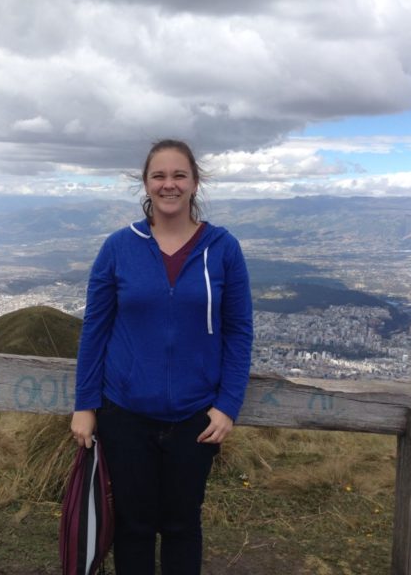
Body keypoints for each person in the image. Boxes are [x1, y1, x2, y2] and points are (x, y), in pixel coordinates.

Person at [71, 139, 253, 575]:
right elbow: (94, 330)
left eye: (178, 175)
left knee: (182, 524)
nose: (168, 184)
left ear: (194, 183)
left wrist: (227, 405)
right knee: (133, 524)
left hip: (195, 417)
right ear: (146, 184)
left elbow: (239, 331)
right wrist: (85, 404)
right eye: (159, 176)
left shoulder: (223, 248)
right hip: (125, 413)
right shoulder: (119, 247)